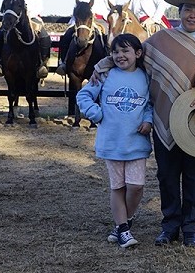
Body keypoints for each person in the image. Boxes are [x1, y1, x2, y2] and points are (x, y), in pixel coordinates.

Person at [93, 0, 195, 247]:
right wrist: (104, 64)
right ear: (180, 12)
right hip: (165, 118)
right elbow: (131, 55)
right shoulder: (159, 42)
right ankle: (170, 226)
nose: (192, 15)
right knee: (167, 176)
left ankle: (191, 229)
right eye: (188, 10)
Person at [76, 33, 153, 248]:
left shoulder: (145, 77)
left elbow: (150, 104)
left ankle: (123, 223)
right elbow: (83, 96)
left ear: (138, 53)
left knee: (136, 186)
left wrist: (148, 121)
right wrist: (96, 113)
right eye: (115, 52)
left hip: (136, 141)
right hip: (112, 142)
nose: (120, 56)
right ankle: (123, 229)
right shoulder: (104, 75)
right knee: (118, 187)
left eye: (125, 51)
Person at [56, 0, 117, 76]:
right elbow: (81, 7)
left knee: (109, 39)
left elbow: (113, 7)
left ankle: (110, 62)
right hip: (86, 19)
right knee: (68, 35)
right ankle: (64, 62)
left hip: (103, 20)